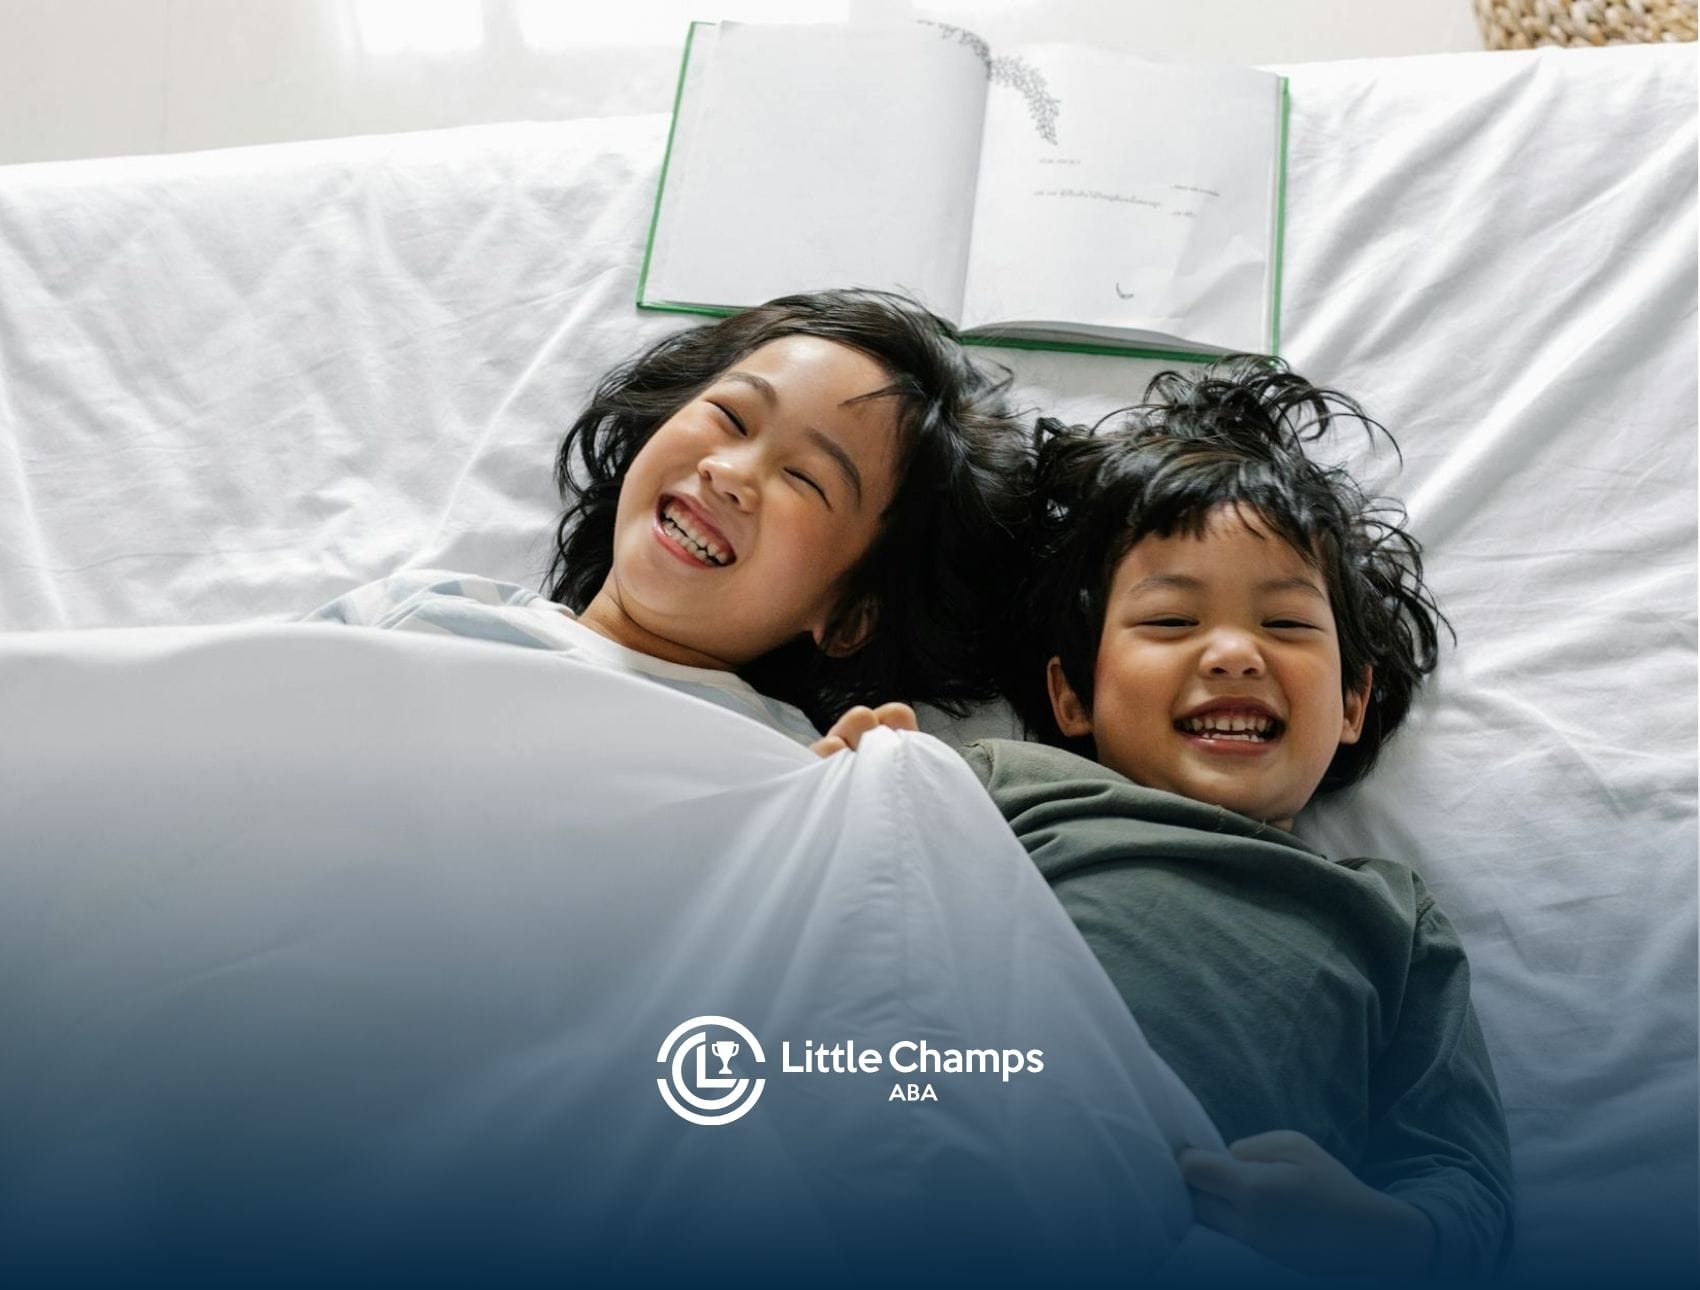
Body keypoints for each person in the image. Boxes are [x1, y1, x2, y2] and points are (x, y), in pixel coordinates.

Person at [964, 357, 1513, 1280]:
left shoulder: (1388, 917)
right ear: (1072, 695)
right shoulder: (1005, 781)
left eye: (1289, 627)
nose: (1232, 654)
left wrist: (1376, 1231)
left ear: (1350, 703)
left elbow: (1462, 1179)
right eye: (1172, 622)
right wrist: (856, 774)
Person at [307, 289, 1026, 754]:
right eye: (731, 416)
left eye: (805, 479)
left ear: (848, 620)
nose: (733, 473)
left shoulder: (791, 763)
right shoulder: (429, 611)